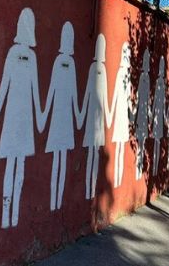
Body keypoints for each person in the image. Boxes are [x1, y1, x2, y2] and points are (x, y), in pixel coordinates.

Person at [0, 8, 46, 228]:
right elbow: (5, 85)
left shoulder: (30, 57)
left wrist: (40, 119)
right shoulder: (16, 54)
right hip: (15, 117)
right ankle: (8, 213)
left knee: (18, 164)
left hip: (23, 119)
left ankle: (12, 214)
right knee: (13, 164)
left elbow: (35, 91)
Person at [43, 22, 82, 208]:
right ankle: (54, 202)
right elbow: (51, 89)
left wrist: (78, 116)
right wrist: (44, 114)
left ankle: (57, 202)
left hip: (65, 118)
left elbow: (74, 93)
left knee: (63, 158)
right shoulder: (60, 62)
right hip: (59, 117)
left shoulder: (70, 64)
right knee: (58, 160)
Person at [78, 34, 110, 200]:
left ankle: (92, 190)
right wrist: (81, 115)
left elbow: (104, 97)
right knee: (92, 152)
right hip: (93, 118)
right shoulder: (94, 69)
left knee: (95, 153)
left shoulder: (102, 70)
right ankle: (88, 191)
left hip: (98, 119)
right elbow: (88, 94)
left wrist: (108, 118)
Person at [108, 42, 133, 188]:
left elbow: (129, 99)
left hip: (123, 116)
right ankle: (116, 182)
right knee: (119, 147)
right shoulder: (121, 75)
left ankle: (118, 182)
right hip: (119, 116)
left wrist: (132, 116)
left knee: (121, 148)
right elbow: (116, 95)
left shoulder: (127, 77)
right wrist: (110, 115)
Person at [134, 49, 151, 180]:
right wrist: (134, 113)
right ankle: (138, 169)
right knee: (140, 140)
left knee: (143, 140)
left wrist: (150, 114)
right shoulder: (142, 78)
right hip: (141, 113)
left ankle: (139, 168)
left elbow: (148, 99)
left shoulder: (147, 78)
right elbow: (139, 95)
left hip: (144, 114)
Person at [151, 57, 166, 176]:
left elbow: (163, 102)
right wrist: (152, 116)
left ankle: (155, 169)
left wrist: (165, 117)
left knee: (158, 141)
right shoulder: (158, 83)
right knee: (157, 141)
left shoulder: (163, 84)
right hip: (157, 115)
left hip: (159, 117)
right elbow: (156, 99)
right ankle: (154, 169)